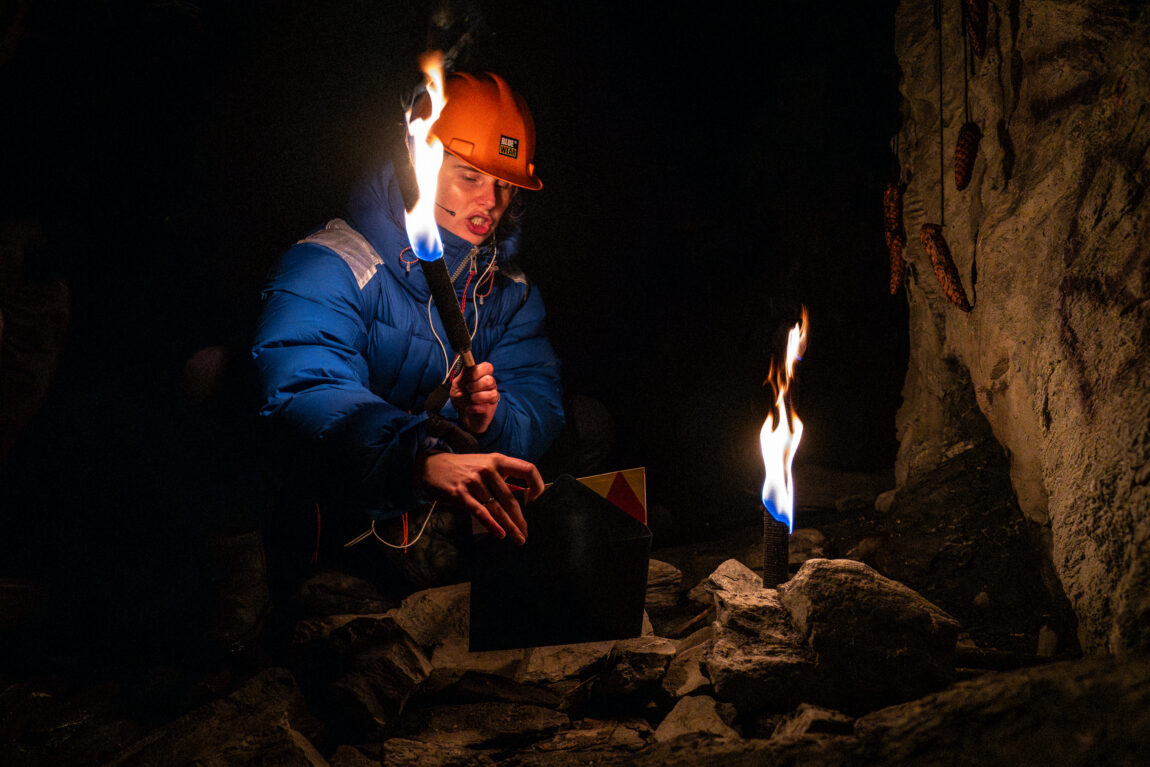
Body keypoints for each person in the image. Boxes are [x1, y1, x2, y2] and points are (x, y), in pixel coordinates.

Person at [251, 71, 565, 592]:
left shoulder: (506, 288)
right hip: (336, 514)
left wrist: (491, 418)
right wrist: (416, 455)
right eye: (470, 177)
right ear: (423, 159)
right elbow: (305, 390)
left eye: (505, 185)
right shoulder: (331, 265)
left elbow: (538, 401)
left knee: (590, 427)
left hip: (433, 517)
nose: (490, 201)